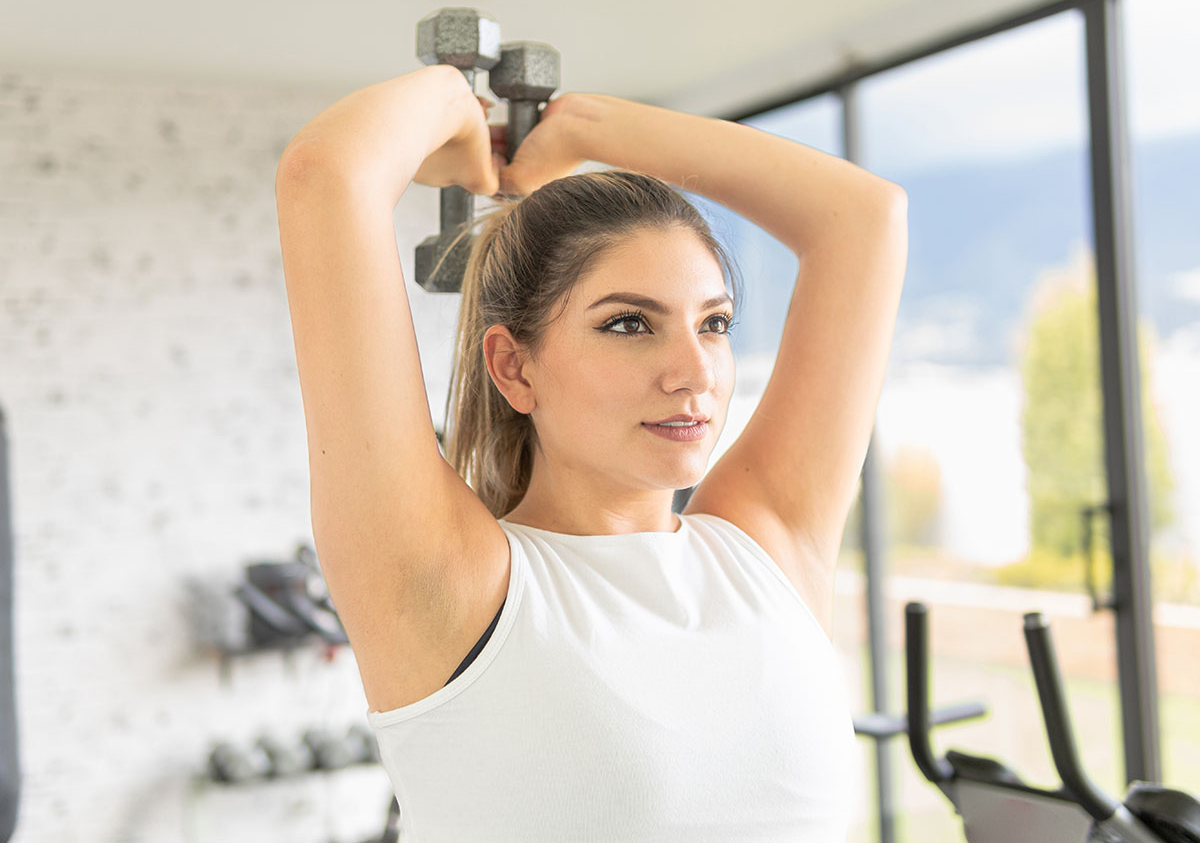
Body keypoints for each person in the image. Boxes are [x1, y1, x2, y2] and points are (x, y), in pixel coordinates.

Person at [275, 62, 907, 842]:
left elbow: (866, 218)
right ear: (514, 366)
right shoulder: (450, 585)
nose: (695, 372)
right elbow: (326, 173)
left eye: (713, 322)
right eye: (629, 323)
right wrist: (457, 105)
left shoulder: (767, 549)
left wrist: (585, 128)